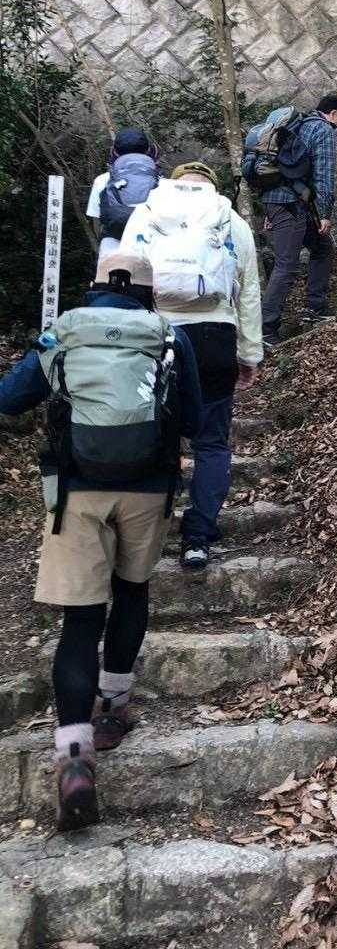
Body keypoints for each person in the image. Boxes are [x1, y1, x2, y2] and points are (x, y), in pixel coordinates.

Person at [0, 251, 202, 831]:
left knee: (81, 619)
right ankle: (113, 707)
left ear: (94, 286)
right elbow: (192, 418)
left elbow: (9, 397)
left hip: (77, 490)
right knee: (132, 592)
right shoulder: (169, 336)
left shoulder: (61, 332)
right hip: (148, 488)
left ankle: (74, 757)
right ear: (147, 292)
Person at [121, 162, 263, 571]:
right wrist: (249, 352)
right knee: (212, 443)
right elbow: (248, 290)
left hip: (158, 335)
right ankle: (197, 537)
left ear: (174, 182)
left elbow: (123, 278)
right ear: (211, 187)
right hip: (214, 337)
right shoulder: (230, 219)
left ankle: (147, 534)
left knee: (156, 436)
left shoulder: (146, 212)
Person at [252, 94, 337, 349]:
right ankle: (265, 329)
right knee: (286, 264)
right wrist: (325, 213)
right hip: (290, 204)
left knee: (322, 248)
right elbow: (323, 175)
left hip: (281, 201)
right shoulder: (322, 129)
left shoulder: (297, 126)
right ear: (334, 114)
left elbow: (280, 169)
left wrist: (270, 212)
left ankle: (315, 308)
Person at [86, 128, 160, 255]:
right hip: (151, 245)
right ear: (148, 150)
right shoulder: (160, 180)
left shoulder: (103, 180)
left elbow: (96, 219)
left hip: (114, 243)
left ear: (114, 151)